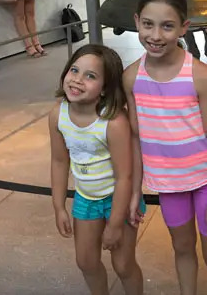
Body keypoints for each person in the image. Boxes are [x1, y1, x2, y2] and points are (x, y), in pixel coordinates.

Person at [123, 0, 207, 295]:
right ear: (137, 21)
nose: (156, 35)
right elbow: (135, 138)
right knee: (182, 251)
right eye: (148, 24)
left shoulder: (199, 75)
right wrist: (135, 193)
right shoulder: (132, 77)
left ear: (184, 27)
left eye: (167, 26)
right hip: (169, 186)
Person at [49, 44, 144, 295]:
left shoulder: (113, 122)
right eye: (75, 70)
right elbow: (59, 161)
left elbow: (125, 176)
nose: (78, 79)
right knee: (86, 261)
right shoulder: (58, 115)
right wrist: (58, 206)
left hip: (118, 200)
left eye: (90, 76)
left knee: (123, 265)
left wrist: (114, 224)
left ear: (104, 89)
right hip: (86, 199)